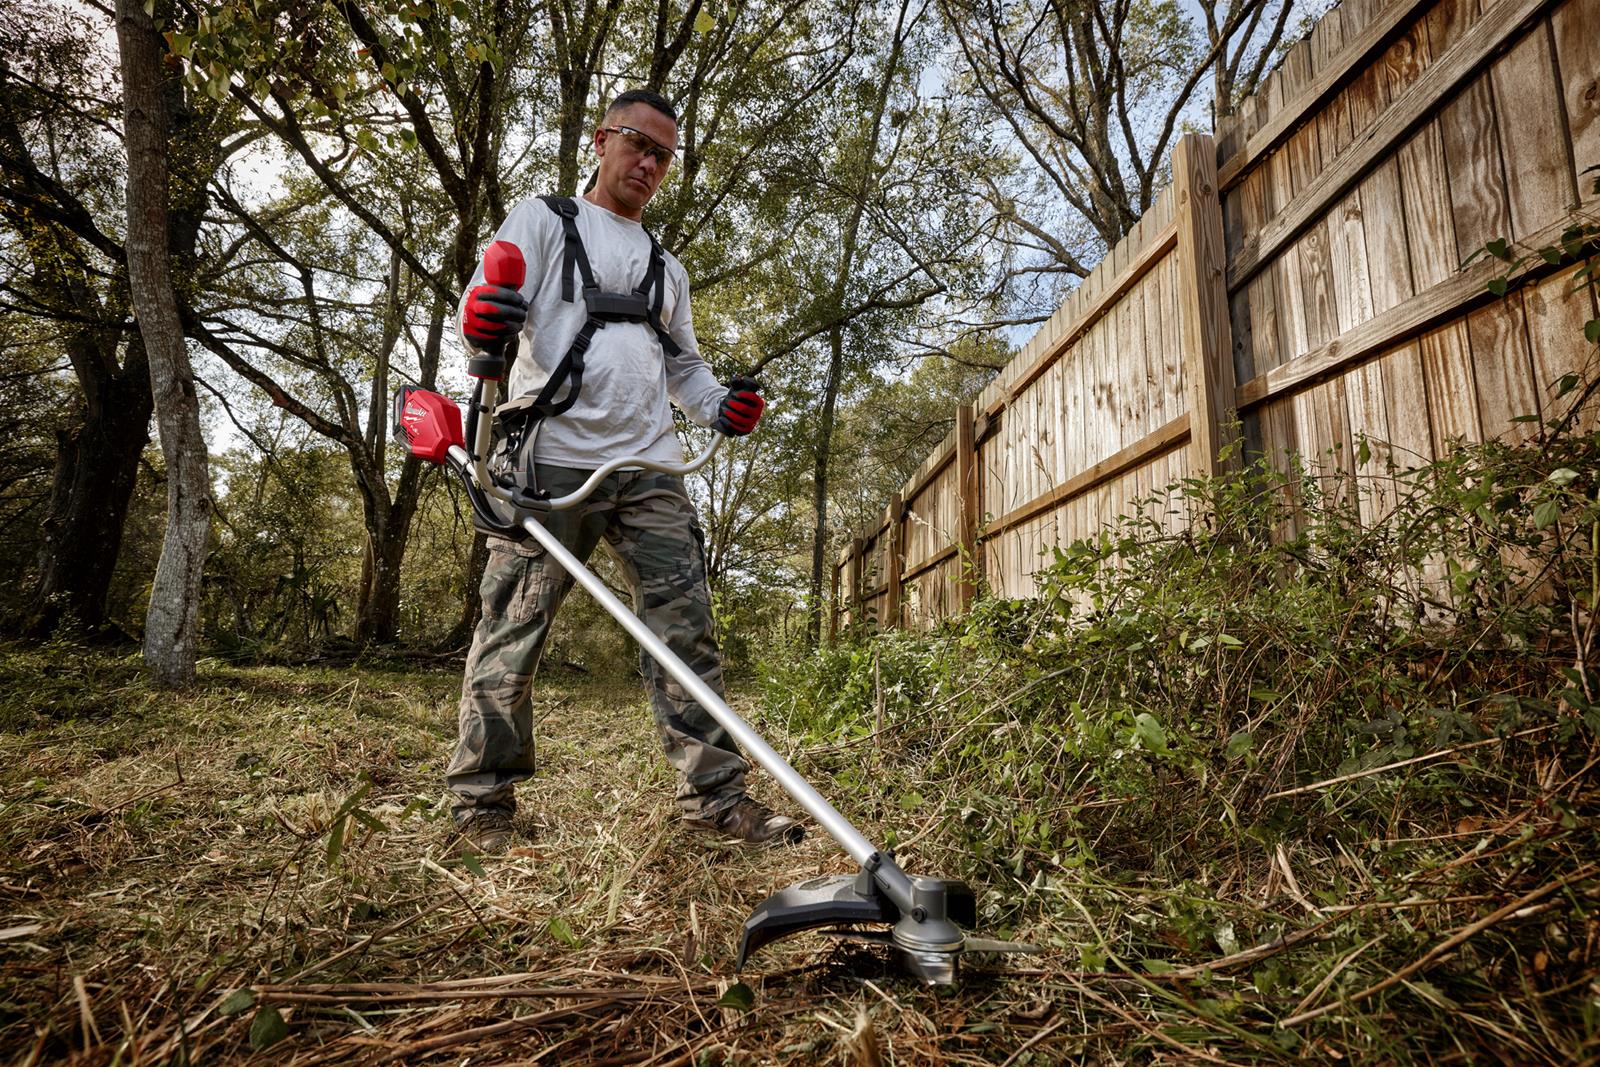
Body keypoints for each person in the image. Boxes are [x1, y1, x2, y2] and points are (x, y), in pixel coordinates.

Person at [447, 87, 802, 853]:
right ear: (602, 141)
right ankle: (481, 806)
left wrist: (723, 408)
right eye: (637, 144)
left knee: (687, 634)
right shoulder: (543, 220)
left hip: (651, 471)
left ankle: (716, 801)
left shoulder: (665, 268)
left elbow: (689, 373)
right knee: (512, 630)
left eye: (663, 155)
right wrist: (481, 318)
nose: (648, 162)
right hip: (549, 463)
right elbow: (486, 303)